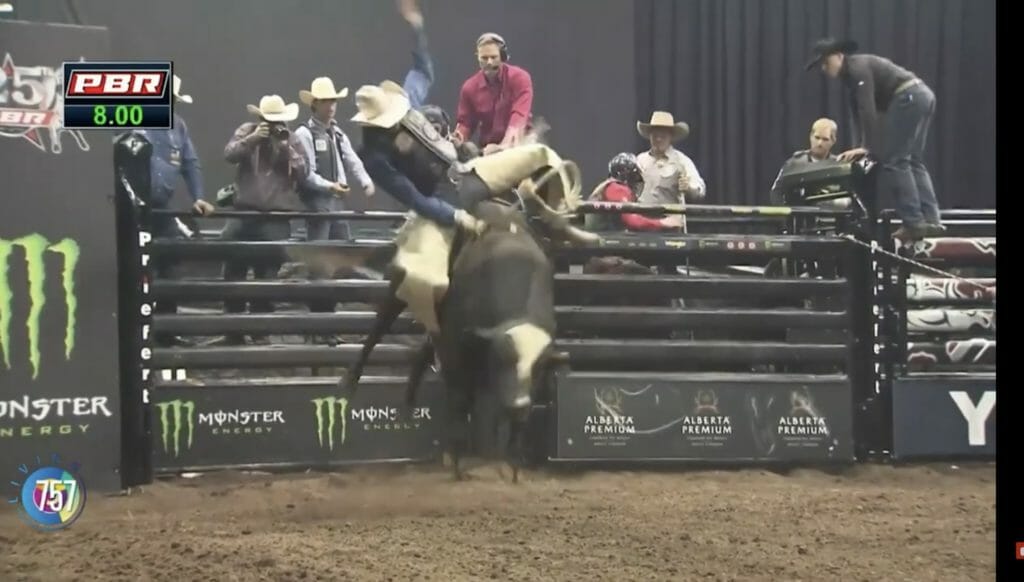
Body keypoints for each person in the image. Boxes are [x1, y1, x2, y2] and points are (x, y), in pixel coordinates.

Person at [806, 37, 944, 240]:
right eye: (821, 66)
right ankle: (931, 221)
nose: (825, 69)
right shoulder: (851, 77)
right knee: (913, 160)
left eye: (826, 62)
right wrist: (858, 147)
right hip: (923, 95)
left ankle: (914, 222)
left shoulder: (857, 69)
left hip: (909, 97)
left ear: (839, 56)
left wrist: (866, 146)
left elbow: (867, 110)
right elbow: (856, 116)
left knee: (895, 161)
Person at [219, 94, 306, 345]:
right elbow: (229, 154)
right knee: (233, 272)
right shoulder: (247, 131)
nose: (275, 125)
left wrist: (286, 148)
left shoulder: (292, 139)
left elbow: (304, 172)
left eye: (278, 121)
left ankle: (260, 330)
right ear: (260, 119)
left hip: (275, 217)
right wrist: (254, 138)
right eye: (270, 121)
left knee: (267, 276)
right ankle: (233, 330)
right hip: (244, 213)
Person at [140, 74, 215, 347]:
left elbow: (190, 163)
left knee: (170, 266)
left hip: (161, 208)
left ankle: (166, 331)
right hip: (134, 207)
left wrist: (198, 197)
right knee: (137, 269)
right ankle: (139, 333)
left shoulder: (177, 126)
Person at [453, 32, 534, 155]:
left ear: (503, 56)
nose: (489, 62)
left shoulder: (520, 78)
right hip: (488, 149)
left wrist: (505, 146)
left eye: (493, 57)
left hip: (521, 145)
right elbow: (465, 123)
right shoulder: (469, 88)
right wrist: (459, 137)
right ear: (478, 58)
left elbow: (519, 115)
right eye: (484, 58)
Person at [636, 111, 706, 233]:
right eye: (655, 135)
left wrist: (689, 188)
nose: (658, 139)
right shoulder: (640, 160)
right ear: (650, 136)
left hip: (669, 227)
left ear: (670, 137)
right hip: (642, 225)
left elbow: (700, 190)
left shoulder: (681, 161)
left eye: (663, 135)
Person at [586, 152, 682, 232]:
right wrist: (663, 223)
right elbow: (631, 221)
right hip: (603, 244)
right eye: (635, 177)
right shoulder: (617, 189)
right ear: (630, 176)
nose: (636, 182)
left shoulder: (609, 186)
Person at [769, 117, 850, 208]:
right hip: (800, 214)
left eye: (825, 139)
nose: (819, 143)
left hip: (830, 214)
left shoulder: (839, 166)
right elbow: (776, 192)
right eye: (817, 137)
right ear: (811, 136)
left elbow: (849, 196)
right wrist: (787, 212)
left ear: (833, 141)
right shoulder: (795, 163)